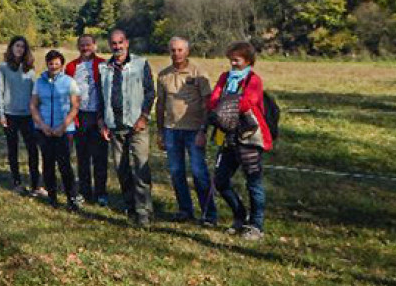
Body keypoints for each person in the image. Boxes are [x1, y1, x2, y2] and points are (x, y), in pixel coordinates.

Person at [207, 41, 272, 241]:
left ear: (248, 61)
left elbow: (248, 102)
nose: (233, 63)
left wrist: (224, 106)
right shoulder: (225, 78)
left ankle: (256, 225)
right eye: (231, 59)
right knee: (220, 180)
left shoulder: (254, 80)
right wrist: (226, 105)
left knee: (253, 181)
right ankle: (240, 216)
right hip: (227, 136)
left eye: (237, 60)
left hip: (248, 136)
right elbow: (213, 100)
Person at [155, 36, 217, 224]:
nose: (177, 53)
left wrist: (203, 131)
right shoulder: (163, 75)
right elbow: (160, 104)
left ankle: (209, 214)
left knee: (199, 173)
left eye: (180, 50)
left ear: (187, 51)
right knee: (176, 172)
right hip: (171, 130)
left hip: (194, 131)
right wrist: (160, 131)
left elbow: (208, 104)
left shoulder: (198, 74)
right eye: (173, 50)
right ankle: (185, 210)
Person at [98, 29, 156, 228]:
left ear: (127, 42)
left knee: (141, 167)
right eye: (113, 43)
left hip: (136, 125)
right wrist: (101, 121)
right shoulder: (103, 68)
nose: (117, 46)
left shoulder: (140, 63)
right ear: (109, 45)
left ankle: (144, 211)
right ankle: (130, 206)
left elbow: (150, 92)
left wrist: (144, 116)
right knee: (121, 169)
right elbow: (101, 96)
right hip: (114, 126)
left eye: (120, 42)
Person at [30, 49, 82, 210]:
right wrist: (43, 126)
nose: (53, 66)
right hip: (44, 129)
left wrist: (63, 126)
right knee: (48, 164)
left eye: (57, 63)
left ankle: (71, 197)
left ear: (62, 64)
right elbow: (33, 105)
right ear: (47, 64)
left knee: (65, 164)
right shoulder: (39, 82)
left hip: (64, 130)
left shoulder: (69, 82)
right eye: (51, 63)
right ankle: (52, 197)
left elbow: (75, 106)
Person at [65, 35, 108, 206]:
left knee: (100, 157)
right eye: (82, 45)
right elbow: (67, 91)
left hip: (98, 115)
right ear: (78, 47)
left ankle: (101, 193)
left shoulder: (103, 64)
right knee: (82, 156)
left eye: (88, 45)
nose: (85, 48)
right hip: (80, 115)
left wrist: (103, 116)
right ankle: (85, 191)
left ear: (94, 46)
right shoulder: (71, 66)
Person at [0, 36, 39, 194]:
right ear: (11, 48)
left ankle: (35, 184)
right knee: (12, 149)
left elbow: (35, 93)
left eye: (23, 47)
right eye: (17, 46)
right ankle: (16, 182)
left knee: (33, 150)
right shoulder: (3, 68)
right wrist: (1, 113)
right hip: (10, 115)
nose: (19, 49)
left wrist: (37, 114)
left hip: (28, 116)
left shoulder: (30, 70)